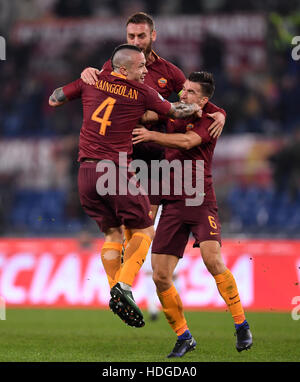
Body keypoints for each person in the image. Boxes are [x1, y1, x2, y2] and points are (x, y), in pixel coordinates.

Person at [80, 12, 226, 319]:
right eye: (131, 36)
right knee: (127, 232)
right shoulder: (114, 66)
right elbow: (94, 89)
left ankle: (137, 290)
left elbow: (193, 96)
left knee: (143, 231)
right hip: (121, 160)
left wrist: (219, 112)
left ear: (153, 36)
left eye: (141, 37)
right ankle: (131, 293)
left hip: (155, 163)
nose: (135, 41)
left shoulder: (168, 72)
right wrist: (85, 74)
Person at [49, 44, 202, 328]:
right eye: (141, 66)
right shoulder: (141, 92)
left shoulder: (93, 80)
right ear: (123, 69)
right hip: (114, 170)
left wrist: (85, 79)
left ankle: (115, 290)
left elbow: (55, 98)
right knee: (145, 229)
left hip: (85, 173)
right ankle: (123, 286)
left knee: (112, 233)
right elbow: (175, 112)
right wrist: (195, 107)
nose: (146, 71)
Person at [132, 71, 253, 356]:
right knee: (160, 276)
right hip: (171, 202)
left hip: (200, 201)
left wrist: (151, 135)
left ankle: (241, 324)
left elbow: (186, 142)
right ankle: (184, 336)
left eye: (190, 92)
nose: (183, 95)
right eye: (183, 90)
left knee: (213, 261)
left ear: (205, 99)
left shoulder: (210, 120)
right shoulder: (173, 112)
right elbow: (149, 115)